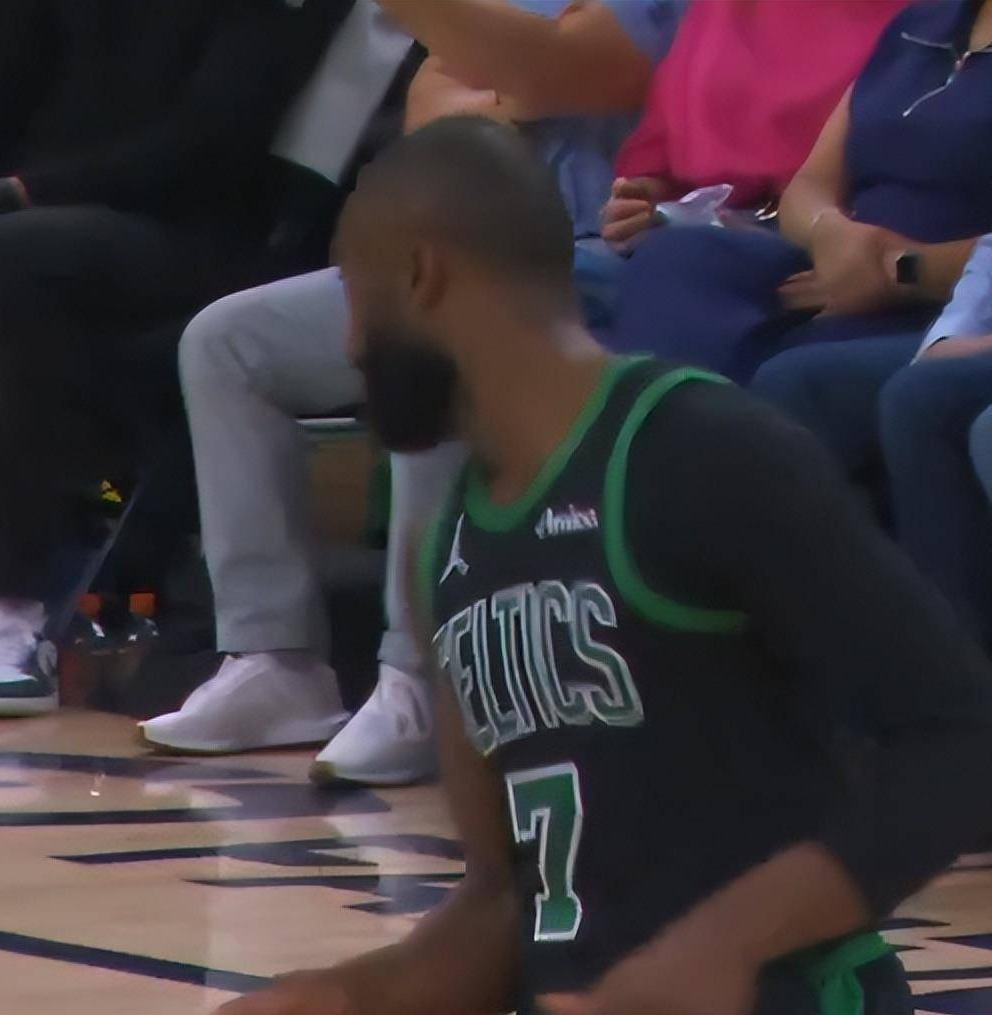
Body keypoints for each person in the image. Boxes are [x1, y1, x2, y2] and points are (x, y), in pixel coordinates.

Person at [216, 115, 992, 1015]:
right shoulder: (449, 546)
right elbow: (504, 904)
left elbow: (961, 736)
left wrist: (720, 948)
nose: (350, 344)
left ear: (423, 273)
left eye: (356, 292)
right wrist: (345, 998)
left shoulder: (698, 449)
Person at [139, 0, 689, 784]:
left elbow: (566, 68)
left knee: (434, 341)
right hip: (465, 251)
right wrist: (510, 91)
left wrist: (498, 84)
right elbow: (433, 121)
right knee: (229, 341)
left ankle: (419, 678)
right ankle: (273, 658)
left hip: (605, 266)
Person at [0, 0, 357, 717]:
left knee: (4, 256)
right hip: (48, 221)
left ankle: (12, 621)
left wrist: (8, 197)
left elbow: (209, 146)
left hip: (205, 232)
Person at [610, 0, 992, 382]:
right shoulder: (920, 23)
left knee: (795, 375)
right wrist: (828, 229)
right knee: (676, 262)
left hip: (948, 300)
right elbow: (810, 184)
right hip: (836, 262)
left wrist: (898, 268)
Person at [753, 236, 992, 648]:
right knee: (795, 382)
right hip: (924, 297)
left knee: (922, 399)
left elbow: (910, 267)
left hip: (903, 282)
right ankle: (839, 649)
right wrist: (826, 227)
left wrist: (894, 266)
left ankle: (952, 654)